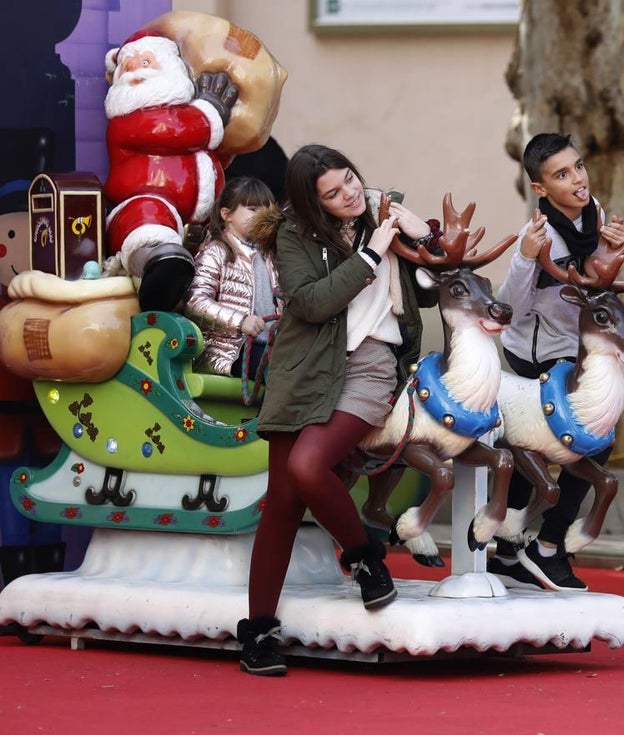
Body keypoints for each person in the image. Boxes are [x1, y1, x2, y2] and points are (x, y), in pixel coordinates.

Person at [236, 144, 437, 676]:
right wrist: (371, 255)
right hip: (303, 367)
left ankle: (363, 555)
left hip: (370, 364)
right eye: (333, 192)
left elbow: (432, 285)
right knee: (281, 499)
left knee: (307, 467)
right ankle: (258, 632)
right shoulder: (293, 235)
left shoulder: (382, 213)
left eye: (350, 180)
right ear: (312, 202)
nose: (349, 194)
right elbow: (309, 302)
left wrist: (422, 235)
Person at [489, 133, 624, 592]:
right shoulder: (540, 234)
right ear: (540, 189)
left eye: (579, 167)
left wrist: (611, 253)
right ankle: (541, 549)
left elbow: (595, 286)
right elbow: (511, 306)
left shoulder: (596, 214)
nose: (578, 180)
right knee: (573, 445)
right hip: (534, 356)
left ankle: (530, 549)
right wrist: (526, 259)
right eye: (562, 175)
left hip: (577, 349)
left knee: (593, 441)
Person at [102, 30, 237, 312]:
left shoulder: (184, 114)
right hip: (143, 206)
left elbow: (202, 150)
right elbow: (172, 131)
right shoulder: (127, 121)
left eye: (145, 63)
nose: (132, 72)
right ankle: (157, 267)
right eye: (125, 66)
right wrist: (210, 109)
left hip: (198, 221)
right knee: (147, 218)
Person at [183, 176, 281, 378]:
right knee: (281, 374)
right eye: (253, 209)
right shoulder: (215, 252)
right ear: (227, 215)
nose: (262, 215)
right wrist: (240, 321)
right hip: (230, 352)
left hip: (271, 346)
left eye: (267, 209)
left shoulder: (272, 254)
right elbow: (195, 301)